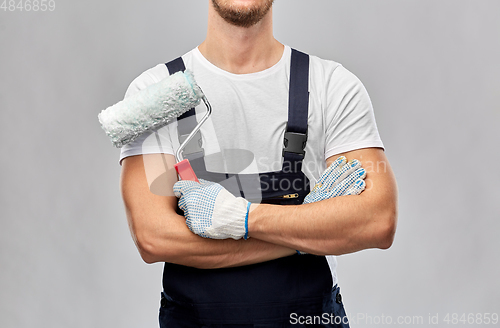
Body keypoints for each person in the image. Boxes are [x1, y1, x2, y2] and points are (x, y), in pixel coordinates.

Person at [119, 0, 398, 327]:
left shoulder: (333, 85)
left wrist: (237, 218)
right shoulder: (149, 94)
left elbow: (377, 223)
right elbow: (153, 238)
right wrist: (308, 228)